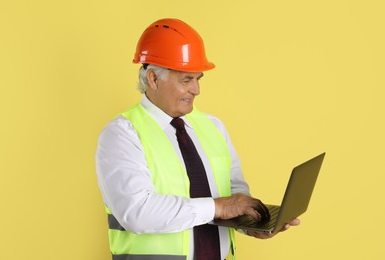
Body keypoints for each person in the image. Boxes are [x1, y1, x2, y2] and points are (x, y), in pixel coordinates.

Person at [95, 18, 300, 260]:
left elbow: (235, 193)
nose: (196, 90)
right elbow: (137, 212)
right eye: (186, 80)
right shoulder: (123, 134)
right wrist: (219, 207)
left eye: (198, 79)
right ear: (153, 79)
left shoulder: (213, 127)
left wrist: (251, 221)